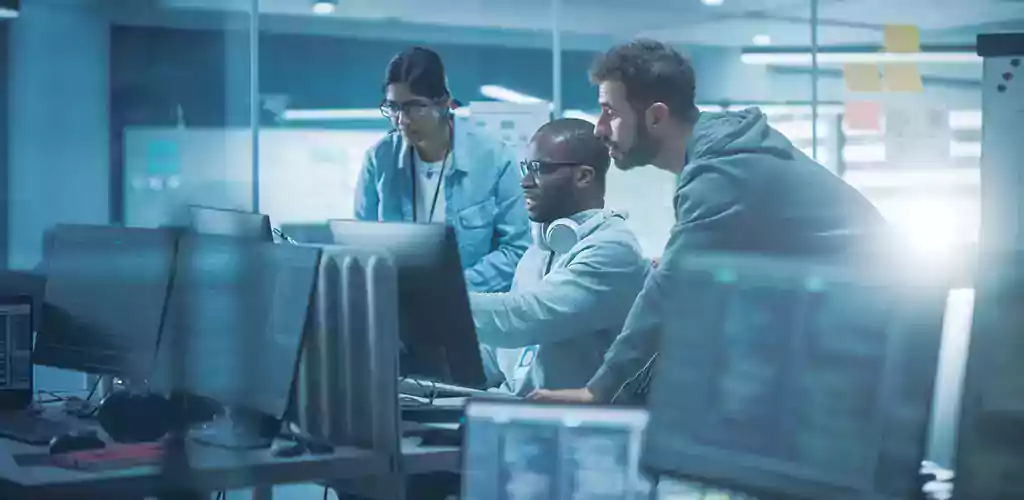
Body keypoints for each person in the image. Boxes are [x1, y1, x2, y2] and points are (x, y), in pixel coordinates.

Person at [530, 39, 886, 404]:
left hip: (865, 343)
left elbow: (668, 293)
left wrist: (596, 390)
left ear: (656, 116)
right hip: (843, 327)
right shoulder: (720, 151)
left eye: (611, 113)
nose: (599, 129)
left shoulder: (720, 171)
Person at [470, 118, 649, 395]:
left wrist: (444, 306)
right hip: (514, 414)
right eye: (527, 168)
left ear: (584, 176)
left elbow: (526, 316)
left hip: (580, 429)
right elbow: (500, 356)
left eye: (539, 169)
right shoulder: (538, 252)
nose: (526, 182)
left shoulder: (614, 250)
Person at [354, 47, 530, 292]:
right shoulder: (379, 160)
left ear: (444, 103)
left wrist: (452, 289)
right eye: (393, 107)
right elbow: (361, 246)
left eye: (414, 107)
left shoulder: (495, 159)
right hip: (398, 306)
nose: (402, 120)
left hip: (471, 310)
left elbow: (516, 250)